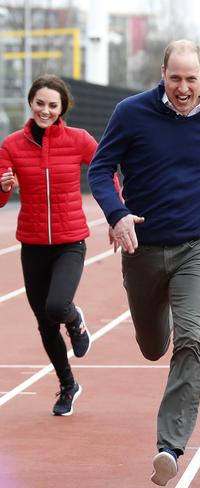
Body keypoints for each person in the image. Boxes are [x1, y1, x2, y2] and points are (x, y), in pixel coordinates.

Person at [87, 40, 200, 486]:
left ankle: (169, 447)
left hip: (194, 248)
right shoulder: (131, 113)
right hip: (143, 251)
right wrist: (117, 216)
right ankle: (160, 322)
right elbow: (100, 169)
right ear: (162, 73)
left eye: (192, 78)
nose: (184, 88)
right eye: (176, 78)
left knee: (190, 341)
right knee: (154, 346)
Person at [0, 74, 105, 416]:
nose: (45, 110)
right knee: (44, 324)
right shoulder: (11, 145)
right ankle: (68, 385)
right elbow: (0, 200)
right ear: (31, 103)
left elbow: (104, 170)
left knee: (57, 306)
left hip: (70, 240)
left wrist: (118, 213)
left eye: (52, 105)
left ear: (62, 109)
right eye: (40, 103)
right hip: (32, 245)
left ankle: (75, 321)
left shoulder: (79, 140)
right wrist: (4, 187)